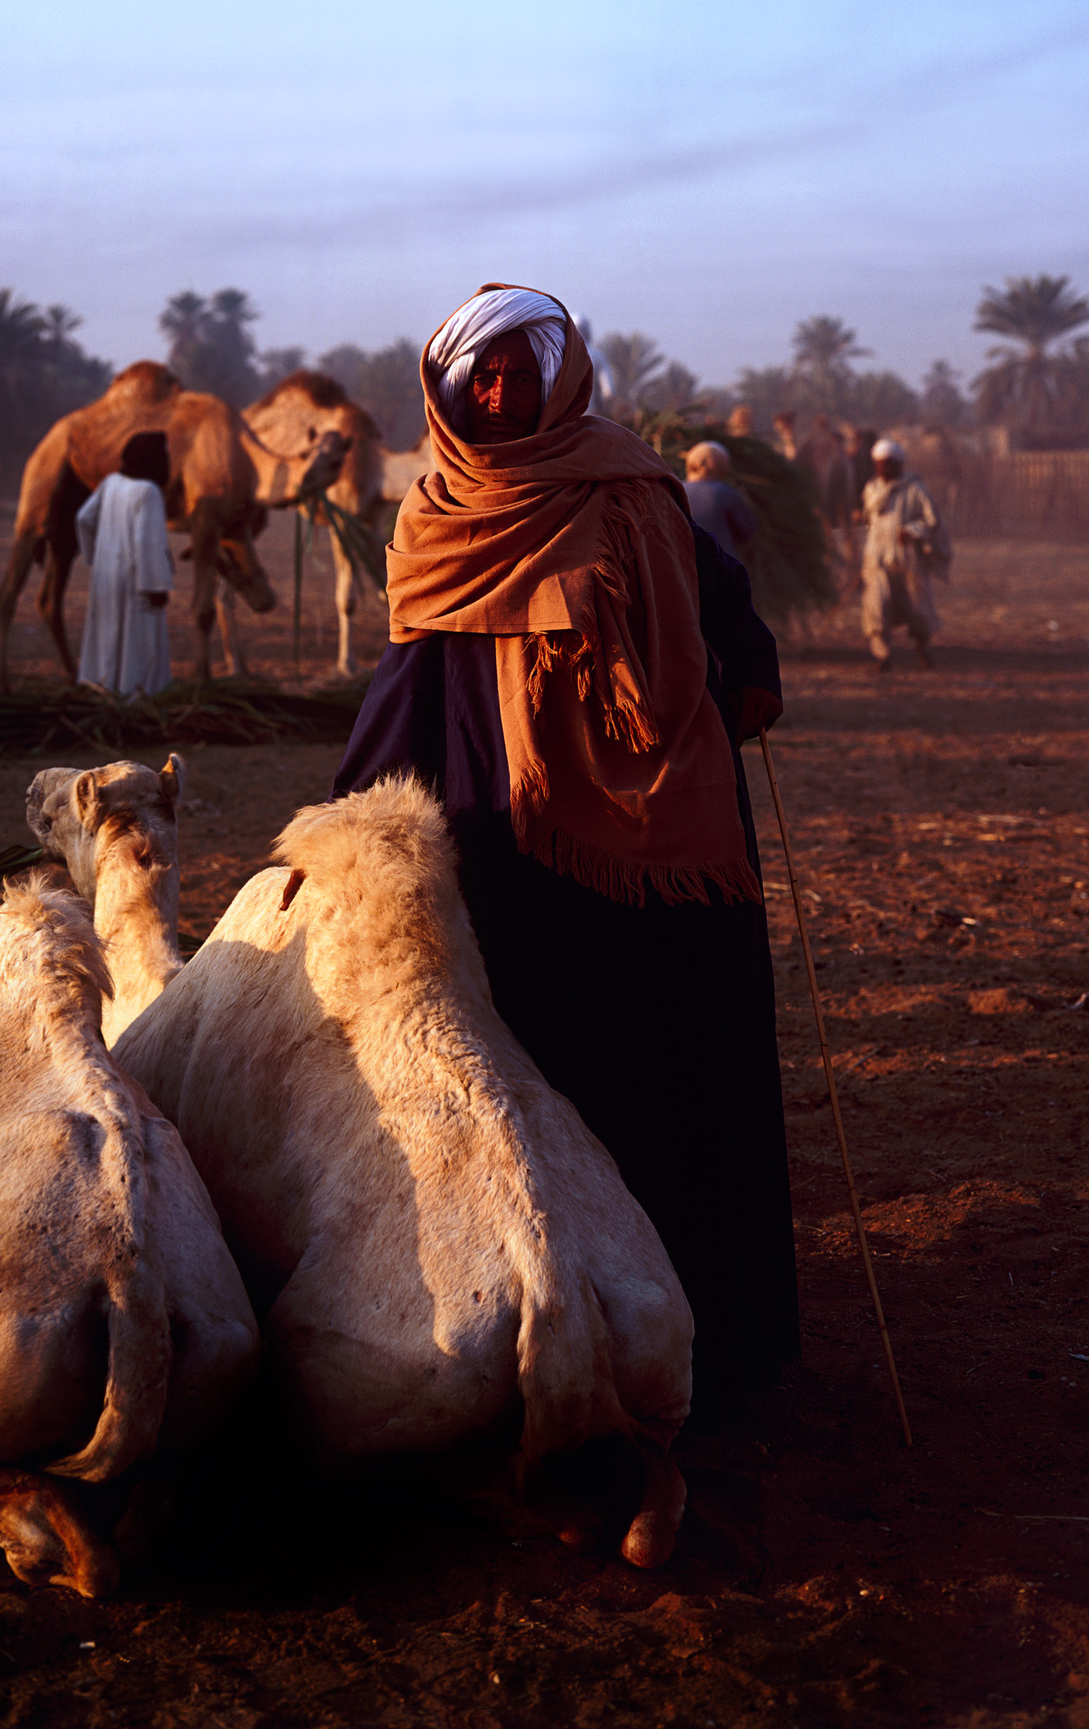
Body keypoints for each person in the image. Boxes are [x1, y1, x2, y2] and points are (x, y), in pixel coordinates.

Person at [333, 283, 798, 1411]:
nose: (500, 392)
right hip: (509, 842)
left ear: (557, 372)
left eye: (517, 370)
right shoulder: (434, 516)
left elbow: (721, 604)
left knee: (666, 1068)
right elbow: (408, 683)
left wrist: (745, 676)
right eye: (477, 376)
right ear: (448, 392)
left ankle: (706, 1338)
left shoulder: (634, 482)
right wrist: (349, 816)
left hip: (657, 841)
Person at [75, 431, 175, 698]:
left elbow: (84, 518)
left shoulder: (111, 482)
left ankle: (104, 689)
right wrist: (156, 586)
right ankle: (136, 698)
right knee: (138, 644)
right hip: (137, 581)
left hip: (106, 576)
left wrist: (97, 557)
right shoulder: (149, 492)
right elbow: (149, 543)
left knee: (107, 636)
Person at [859, 435, 949, 669]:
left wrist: (912, 530)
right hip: (877, 560)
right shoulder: (871, 489)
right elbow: (870, 520)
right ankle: (883, 656)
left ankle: (921, 647)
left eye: (888, 462)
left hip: (908, 560)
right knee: (877, 605)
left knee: (917, 607)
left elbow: (932, 521)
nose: (883, 467)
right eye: (879, 463)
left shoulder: (915, 490)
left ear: (899, 464)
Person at [682, 441, 758, 563]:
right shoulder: (727, 493)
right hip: (720, 568)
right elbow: (747, 530)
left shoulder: (675, 491)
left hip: (683, 568)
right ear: (721, 466)